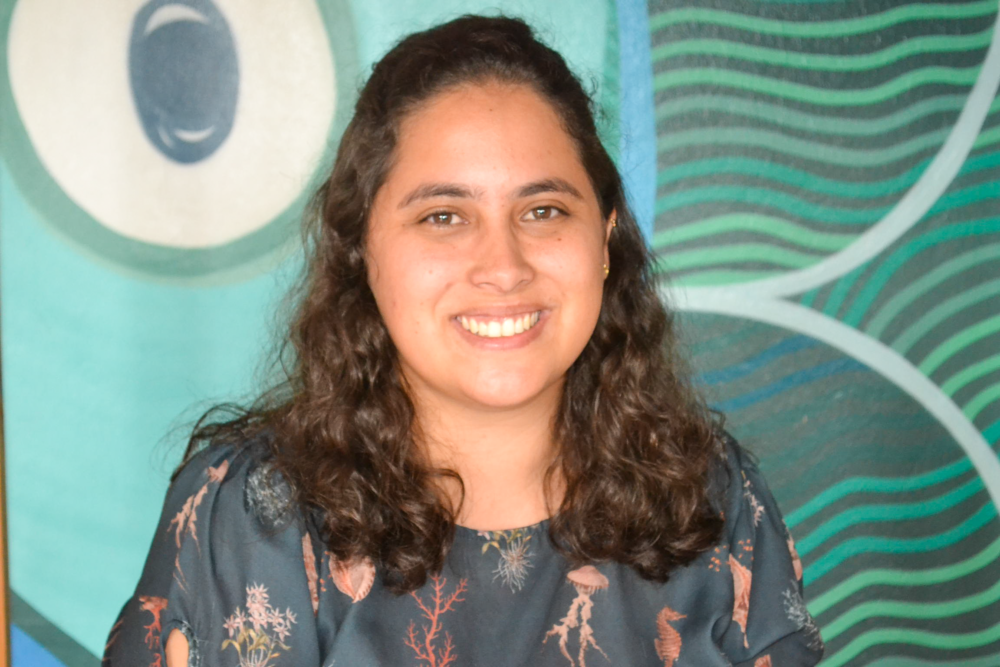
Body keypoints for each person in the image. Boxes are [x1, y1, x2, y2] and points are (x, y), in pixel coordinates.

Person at [103, 15, 823, 667]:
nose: (503, 267)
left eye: (543, 210)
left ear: (605, 240)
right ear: (362, 250)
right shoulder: (256, 518)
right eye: (443, 217)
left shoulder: (714, 502)